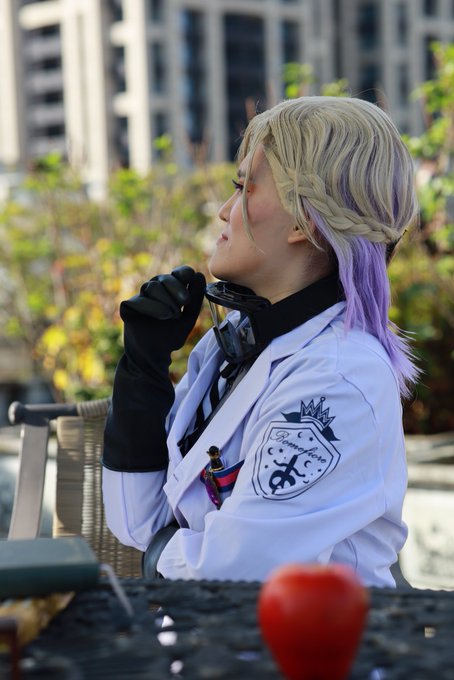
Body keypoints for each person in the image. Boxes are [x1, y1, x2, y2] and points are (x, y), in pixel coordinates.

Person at [102, 96, 419, 586]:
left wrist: (159, 556)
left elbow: (232, 569)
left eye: (243, 188)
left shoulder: (337, 378)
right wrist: (142, 369)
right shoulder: (236, 344)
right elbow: (137, 520)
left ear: (303, 221)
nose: (224, 212)